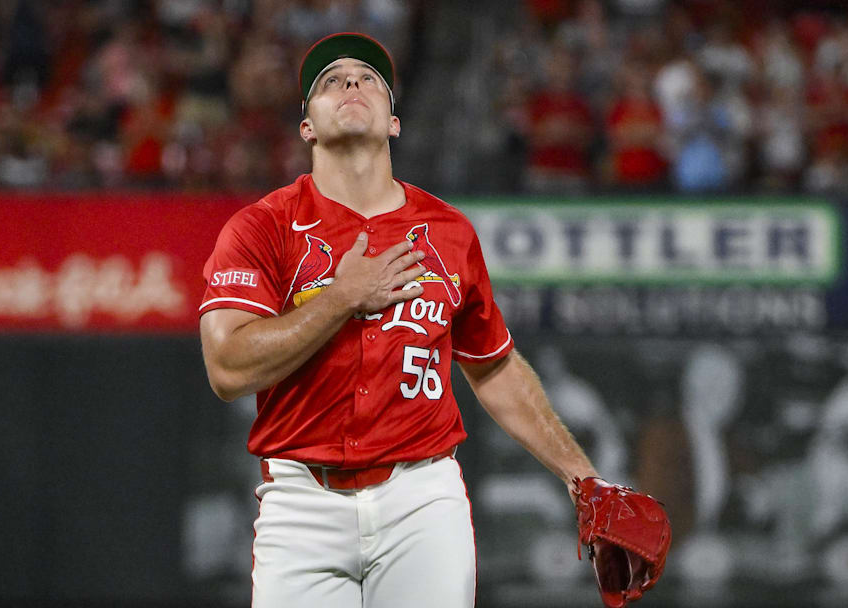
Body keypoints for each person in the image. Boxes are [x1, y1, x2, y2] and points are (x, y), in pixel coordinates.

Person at [197, 33, 600, 608]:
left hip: (422, 496)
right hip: (301, 501)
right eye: (330, 81)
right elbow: (227, 367)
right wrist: (339, 298)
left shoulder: (449, 232)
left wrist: (581, 475)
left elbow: (494, 367)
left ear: (395, 123)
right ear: (306, 127)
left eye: (368, 79)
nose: (350, 85)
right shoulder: (260, 229)